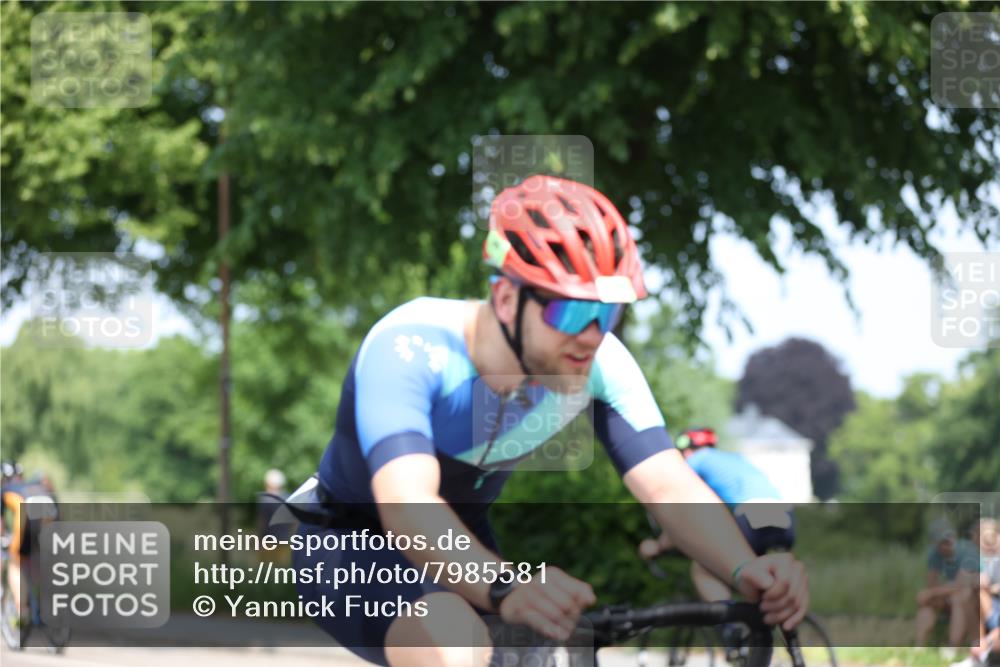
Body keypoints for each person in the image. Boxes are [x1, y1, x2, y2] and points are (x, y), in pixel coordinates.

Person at [293, 175, 808, 667]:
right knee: (458, 645)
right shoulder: (409, 346)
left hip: (463, 545)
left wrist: (745, 569)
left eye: (606, 314)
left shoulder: (597, 363)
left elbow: (667, 481)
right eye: (569, 312)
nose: (590, 335)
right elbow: (407, 506)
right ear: (507, 298)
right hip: (348, 542)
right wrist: (505, 586)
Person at [637, 427, 794, 604]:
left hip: (750, 515)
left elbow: (682, 511)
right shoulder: (733, 459)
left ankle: (730, 628)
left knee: (704, 567)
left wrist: (659, 546)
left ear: (686, 451)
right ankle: (761, 625)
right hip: (785, 517)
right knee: (756, 575)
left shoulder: (693, 463)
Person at [1, 462, 59, 617]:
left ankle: (21, 611)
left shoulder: (5, 489)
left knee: (14, 562)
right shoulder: (34, 484)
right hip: (50, 516)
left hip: (27, 518)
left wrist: (4, 539)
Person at [916, 518, 980, 648]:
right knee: (928, 602)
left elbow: (962, 583)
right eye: (943, 541)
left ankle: (952, 646)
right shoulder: (934, 555)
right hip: (953, 594)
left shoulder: (967, 550)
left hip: (974, 597)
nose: (948, 543)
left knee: (958, 597)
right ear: (935, 543)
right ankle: (919, 645)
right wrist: (932, 594)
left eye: (950, 538)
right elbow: (932, 582)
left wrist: (932, 592)